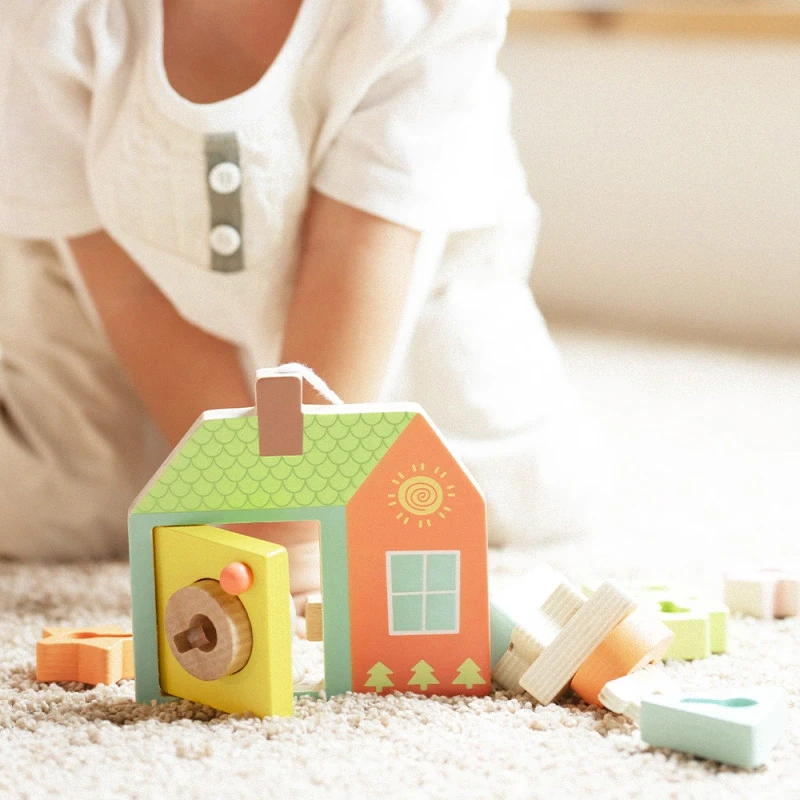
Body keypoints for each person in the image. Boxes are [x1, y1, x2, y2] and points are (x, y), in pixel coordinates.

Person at [0, 0, 594, 591]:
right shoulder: (40, 19)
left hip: (396, 308)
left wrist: (295, 516)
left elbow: (357, 249)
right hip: (117, 326)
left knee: (484, 487)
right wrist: (240, 490)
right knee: (50, 507)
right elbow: (127, 292)